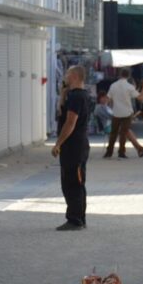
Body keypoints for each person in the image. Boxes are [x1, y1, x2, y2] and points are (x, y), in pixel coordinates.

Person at [51, 66, 92, 231]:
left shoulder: (77, 97)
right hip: (76, 146)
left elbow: (70, 122)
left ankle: (75, 220)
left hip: (74, 146)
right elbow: (61, 112)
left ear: (74, 76)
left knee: (73, 183)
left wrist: (58, 143)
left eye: (67, 74)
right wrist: (63, 93)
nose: (65, 76)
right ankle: (79, 218)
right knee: (72, 182)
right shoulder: (79, 95)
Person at [105, 69, 143, 159]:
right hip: (127, 112)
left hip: (116, 112)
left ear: (119, 75)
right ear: (129, 76)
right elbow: (141, 98)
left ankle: (109, 152)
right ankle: (121, 152)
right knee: (124, 132)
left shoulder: (113, 86)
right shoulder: (129, 87)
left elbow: (108, 99)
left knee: (113, 133)